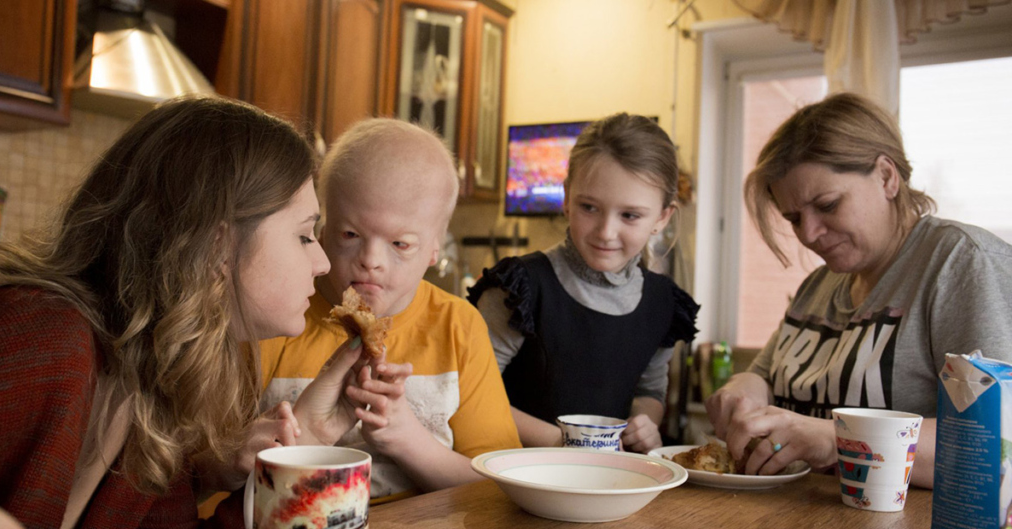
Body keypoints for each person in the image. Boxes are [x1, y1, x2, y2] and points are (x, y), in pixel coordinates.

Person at [0, 97, 390, 529]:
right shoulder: (41, 336)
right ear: (219, 244)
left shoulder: (158, 376)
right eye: (306, 236)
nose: (324, 264)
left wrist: (301, 446)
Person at [704, 92, 1012, 489]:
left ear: (886, 176)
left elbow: (994, 443)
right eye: (794, 218)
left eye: (828, 205)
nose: (809, 234)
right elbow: (763, 376)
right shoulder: (819, 285)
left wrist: (838, 440)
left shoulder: (961, 263)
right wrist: (742, 387)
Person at [259, 118, 522, 503]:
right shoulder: (275, 318)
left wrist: (409, 442)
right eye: (350, 235)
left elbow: (501, 484)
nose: (370, 260)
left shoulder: (458, 327)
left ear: (435, 249)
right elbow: (215, 471)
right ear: (321, 228)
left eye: (400, 244)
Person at [468, 113, 700, 454]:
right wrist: (565, 443)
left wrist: (645, 424)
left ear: (662, 217)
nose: (606, 232)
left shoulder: (663, 303)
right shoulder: (520, 290)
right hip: (511, 480)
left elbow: (649, 392)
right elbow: (472, 391)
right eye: (589, 207)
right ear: (566, 198)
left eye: (630, 215)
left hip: (607, 485)